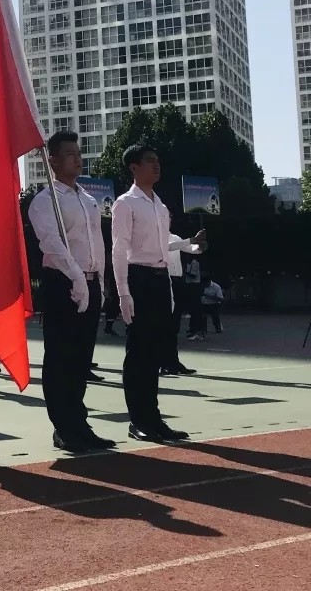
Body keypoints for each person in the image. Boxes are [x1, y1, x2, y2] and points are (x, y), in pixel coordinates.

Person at [27, 131, 114, 454]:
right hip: (62, 282)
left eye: (78, 153)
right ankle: (63, 427)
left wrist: (99, 282)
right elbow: (50, 242)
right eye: (69, 154)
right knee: (60, 358)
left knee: (81, 359)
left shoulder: (88, 199)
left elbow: (98, 244)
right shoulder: (45, 200)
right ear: (52, 161)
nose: (78, 159)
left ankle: (79, 423)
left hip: (90, 282)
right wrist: (76, 275)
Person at [111, 144, 204, 443]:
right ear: (134, 167)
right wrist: (123, 293)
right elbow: (118, 249)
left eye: (157, 160)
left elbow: (163, 245)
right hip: (139, 277)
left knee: (154, 353)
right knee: (138, 352)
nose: (156, 165)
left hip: (161, 278)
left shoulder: (160, 206)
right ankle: (138, 420)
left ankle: (153, 418)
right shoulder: (125, 204)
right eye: (149, 161)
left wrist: (189, 245)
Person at [163, 231, 204, 375]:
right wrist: (192, 239)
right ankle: (164, 361)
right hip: (164, 279)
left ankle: (172, 361)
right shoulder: (155, 235)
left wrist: (199, 247)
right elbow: (169, 246)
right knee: (165, 322)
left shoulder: (174, 236)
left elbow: (188, 248)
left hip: (177, 280)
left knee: (174, 323)